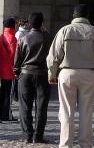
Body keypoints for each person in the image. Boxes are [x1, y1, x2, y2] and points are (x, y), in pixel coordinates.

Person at [47, 4, 94, 148]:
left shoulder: (64, 31)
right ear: (88, 16)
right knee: (86, 112)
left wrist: (52, 73)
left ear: (73, 16)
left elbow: (53, 56)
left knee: (66, 111)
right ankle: (85, 144)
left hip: (67, 73)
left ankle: (65, 144)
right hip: (89, 73)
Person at [14, 12, 52, 143]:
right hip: (42, 74)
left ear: (29, 24)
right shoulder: (47, 37)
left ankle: (27, 135)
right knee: (41, 107)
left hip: (25, 74)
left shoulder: (23, 39)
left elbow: (17, 61)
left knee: (25, 106)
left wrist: (17, 73)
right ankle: (38, 136)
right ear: (42, 23)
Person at [0, 16, 17, 122]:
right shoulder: (12, 38)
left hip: (1, 70)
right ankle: (7, 115)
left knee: (2, 93)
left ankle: (1, 114)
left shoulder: (1, 37)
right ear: (13, 25)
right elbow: (14, 55)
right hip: (10, 71)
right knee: (9, 94)